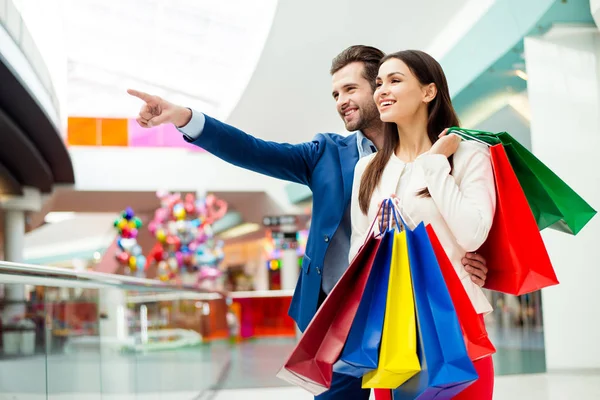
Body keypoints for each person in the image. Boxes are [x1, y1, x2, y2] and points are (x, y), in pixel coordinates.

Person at [128, 45, 489, 400]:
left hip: (419, 317)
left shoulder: (451, 153)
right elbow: (253, 149)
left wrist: (478, 259)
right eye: (335, 93)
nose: (340, 101)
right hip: (341, 325)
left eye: (351, 89)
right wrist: (184, 117)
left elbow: (475, 223)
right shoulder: (328, 155)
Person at [349, 50, 495, 399]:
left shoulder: (469, 155)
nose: (382, 90)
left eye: (395, 81)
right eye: (379, 83)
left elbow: (472, 233)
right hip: (391, 325)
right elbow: (358, 249)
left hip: (456, 318)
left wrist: (434, 165)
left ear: (429, 92)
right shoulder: (367, 169)